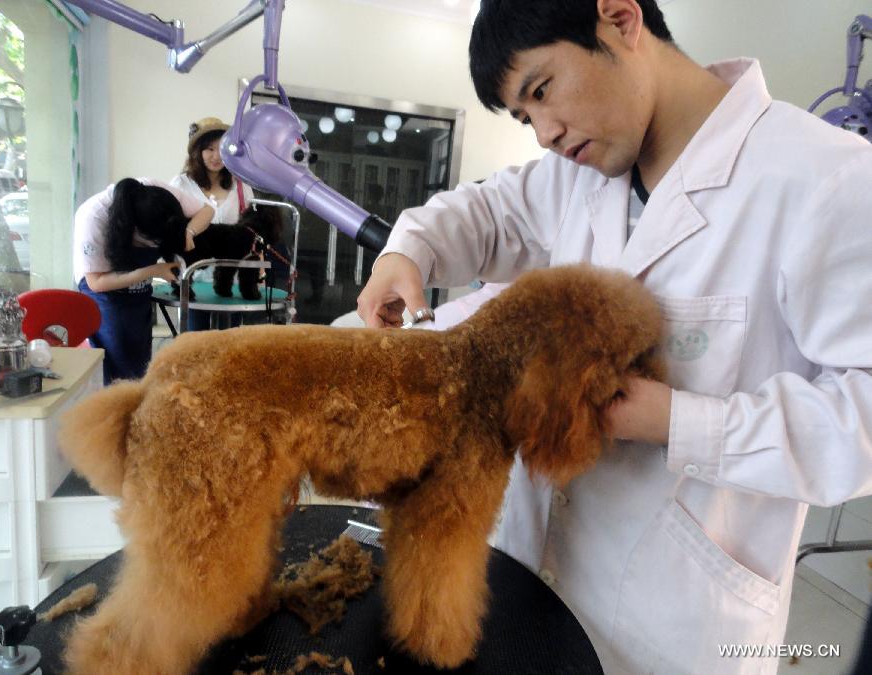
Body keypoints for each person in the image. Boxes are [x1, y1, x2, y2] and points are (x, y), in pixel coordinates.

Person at [356, 1, 872, 673]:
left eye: (542, 90)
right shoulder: (581, 173)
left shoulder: (827, 179)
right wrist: (409, 253)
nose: (543, 132)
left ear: (621, 20)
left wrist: (682, 422)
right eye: (523, 116)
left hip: (677, 621)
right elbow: (484, 211)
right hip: (529, 577)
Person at [74, 177, 213, 384]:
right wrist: (152, 271)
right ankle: (115, 411)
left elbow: (207, 211)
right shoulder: (93, 218)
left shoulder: (158, 194)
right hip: (105, 292)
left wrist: (188, 232)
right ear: (133, 230)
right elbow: (97, 282)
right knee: (116, 367)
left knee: (139, 364)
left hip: (137, 292)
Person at [170, 117, 256, 330]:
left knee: (229, 348)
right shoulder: (180, 185)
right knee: (195, 343)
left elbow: (250, 231)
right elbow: (171, 229)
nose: (216, 156)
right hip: (193, 280)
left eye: (222, 149)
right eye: (209, 149)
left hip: (231, 285)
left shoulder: (241, 187)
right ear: (197, 152)